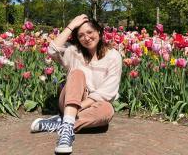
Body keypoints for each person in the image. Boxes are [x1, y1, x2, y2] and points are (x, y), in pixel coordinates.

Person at [30, 14, 122, 154]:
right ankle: (66, 133)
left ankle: (62, 122)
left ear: (99, 31)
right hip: (70, 99)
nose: (86, 38)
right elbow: (52, 50)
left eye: (90, 32)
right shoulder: (73, 52)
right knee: (78, 73)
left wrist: (75, 111)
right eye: (81, 35)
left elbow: (107, 92)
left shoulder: (113, 56)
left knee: (107, 110)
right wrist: (71, 25)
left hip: (93, 105)